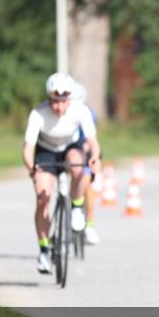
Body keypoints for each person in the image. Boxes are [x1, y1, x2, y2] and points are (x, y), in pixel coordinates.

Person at [22, 73, 101, 274]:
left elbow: (92, 142)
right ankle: (44, 249)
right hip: (46, 151)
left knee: (80, 164)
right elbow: (28, 148)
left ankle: (76, 207)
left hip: (69, 147)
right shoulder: (38, 114)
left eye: (63, 102)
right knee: (43, 197)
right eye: (55, 102)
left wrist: (94, 158)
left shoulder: (80, 111)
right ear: (49, 98)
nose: (58, 107)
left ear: (70, 99)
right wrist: (32, 167)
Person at [71, 83, 101, 245]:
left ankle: (89, 225)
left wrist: (88, 151)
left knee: (88, 185)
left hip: (85, 148)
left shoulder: (88, 113)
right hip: (67, 151)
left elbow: (90, 139)